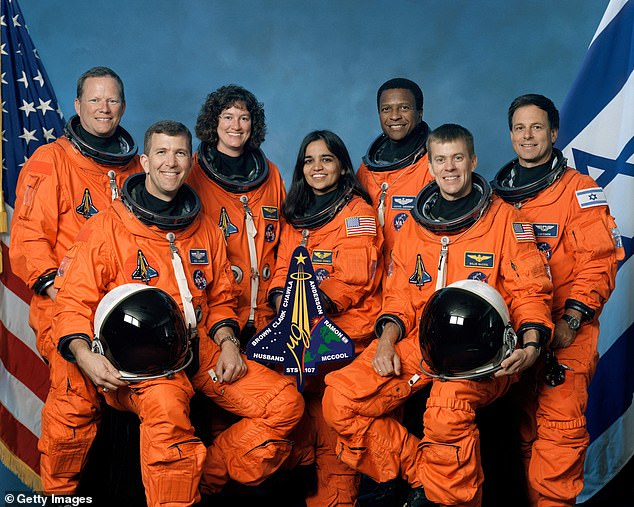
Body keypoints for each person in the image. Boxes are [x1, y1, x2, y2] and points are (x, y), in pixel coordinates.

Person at [47, 121, 304, 505]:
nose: (172, 162)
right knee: (168, 419)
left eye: (181, 153)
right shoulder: (107, 228)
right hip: (142, 364)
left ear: (190, 160)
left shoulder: (205, 230)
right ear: (145, 162)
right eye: (163, 153)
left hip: (200, 350)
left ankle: (207, 476)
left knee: (285, 403)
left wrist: (229, 342)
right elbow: (72, 303)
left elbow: (220, 298)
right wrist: (86, 356)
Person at [323, 124, 554, 506]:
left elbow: (530, 291)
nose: (450, 168)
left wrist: (530, 343)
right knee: (339, 399)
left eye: (458, 158)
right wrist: (386, 341)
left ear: (473, 161)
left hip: (486, 352)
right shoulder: (415, 225)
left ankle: (450, 501)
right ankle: (423, 476)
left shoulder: (506, 221)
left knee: (446, 410)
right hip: (422, 343)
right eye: (441, 160)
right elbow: (398, 296)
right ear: (429, 166)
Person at [8, 66, 142, 492]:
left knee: (139, 416)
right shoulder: (51, 160)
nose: (104, 108)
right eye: (95, 100)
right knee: (75, 407)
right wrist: (68, 299)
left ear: (123, 106)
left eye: (112, 100)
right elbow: (29, 241)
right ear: (77, 106)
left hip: (122, 310)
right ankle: (61, 498)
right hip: (67, 307)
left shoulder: (137, 168)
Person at [492, 94, 624, 506]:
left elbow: (599, 263)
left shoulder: (580, 192)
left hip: (566, 335)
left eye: (536, 127)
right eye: (519, 128)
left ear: (553, 133)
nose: (527, 136)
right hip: (512, 336)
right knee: (516, 441)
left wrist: (572, 318)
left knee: (558, 440)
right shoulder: (495, 198)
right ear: (510, 135)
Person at [267, 130, 383, 505]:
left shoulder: (357, 213)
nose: (317, 167)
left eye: (326, 159)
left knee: (334, 436)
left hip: (345, 338)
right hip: (300, 340)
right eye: (309, 160)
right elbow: (281, 267)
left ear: (343, 166)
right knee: (295, 430)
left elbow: (353, 278)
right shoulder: (296, 216)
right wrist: (280, 297)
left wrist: (309, 308)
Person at [187, 84, 285, 344]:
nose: (236, 126)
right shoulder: (192, 174)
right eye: (228, 117)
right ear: (214, 121)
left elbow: (285, 241)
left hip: (268, 312)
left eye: (244, 118)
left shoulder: (271, 175)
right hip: (219, 317)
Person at [356, 77, 432, 261]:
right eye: (386, 109)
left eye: (404, 108)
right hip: (373, 274)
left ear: (420, 113)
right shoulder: (367, 169)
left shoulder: (435, 165)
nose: (394, 116)